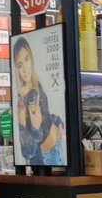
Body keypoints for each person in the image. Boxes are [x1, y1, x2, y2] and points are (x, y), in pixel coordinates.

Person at [13, 37, 64, 166]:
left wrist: (57, 121)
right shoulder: (21, 101)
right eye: (20, 65)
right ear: (16, 69)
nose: (25, 69)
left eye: (26, 59)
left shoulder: (36, 84)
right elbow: (28, 152)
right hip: (46, 158)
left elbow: (45, 114)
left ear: (31, 58)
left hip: (58, 146)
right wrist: (35, 128)